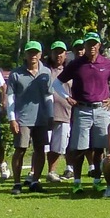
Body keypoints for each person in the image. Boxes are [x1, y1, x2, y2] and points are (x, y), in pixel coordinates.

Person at [57, 33, 110, 194]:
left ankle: (97, 180)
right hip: (82, 109)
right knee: (79, 148)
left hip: (102, 109)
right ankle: (77, 182)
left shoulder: (107, 63)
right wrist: (67, 97)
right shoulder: (76, 64)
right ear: (85, 45)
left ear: (99, 45)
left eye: (94, 44)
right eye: (89, 44)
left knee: (99, 147)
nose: (92, 47)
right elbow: (57, 83)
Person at [7, 41, 52, 194]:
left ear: (40, 54)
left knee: (40, 150)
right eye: (30, 52)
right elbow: (10, 97)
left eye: (36, 52)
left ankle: (35, 181)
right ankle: (17, 183)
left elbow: (49, 95)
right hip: (22, 118)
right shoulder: (16, 74)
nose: (33, 55)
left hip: (41, 118)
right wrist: (12, 118)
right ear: (25, 54)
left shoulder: (46, 72)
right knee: (20, 149)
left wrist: (50, 115)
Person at [45, 41, 74, 182]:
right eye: (55, 52)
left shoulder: (70, 70)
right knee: (43, 146)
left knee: (59, 146)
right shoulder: (44, 70)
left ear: (65, 54)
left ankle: (52, 171)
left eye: (61, 52)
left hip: (65, 113)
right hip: (45, 114)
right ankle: (34, 172)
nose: (58, 55)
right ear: (51, 53)